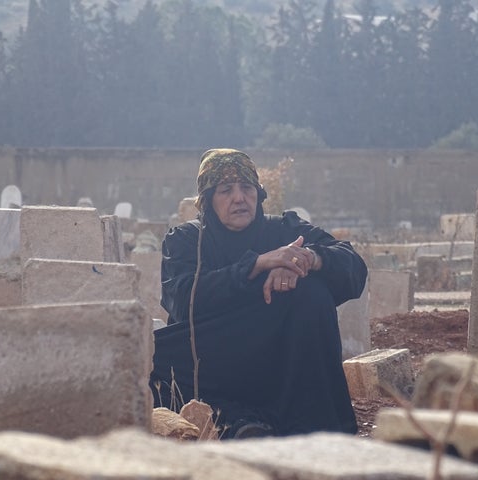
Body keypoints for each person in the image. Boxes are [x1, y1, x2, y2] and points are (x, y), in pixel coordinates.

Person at [150, 149, 368, 438]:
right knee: (148, 360)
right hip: (217, 356)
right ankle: (235, 422)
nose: (239, 198)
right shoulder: (188, 240)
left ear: (259, 194)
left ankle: (315, 429)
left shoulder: (286, 230)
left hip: (278, 356)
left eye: (246, 188)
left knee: (312, 292)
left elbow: (352, 264)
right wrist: (256, 265)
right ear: (207, 201)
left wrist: (305, 259)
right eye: (226, 190)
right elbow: (182, 298)